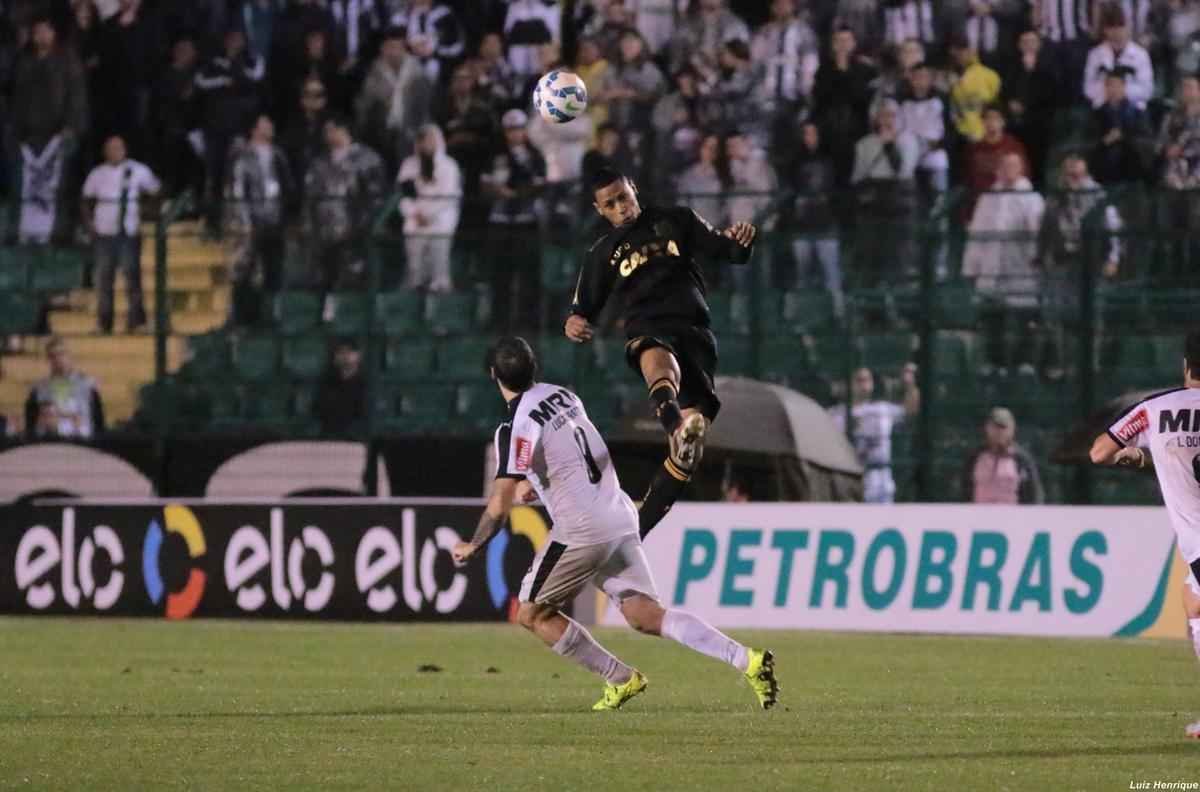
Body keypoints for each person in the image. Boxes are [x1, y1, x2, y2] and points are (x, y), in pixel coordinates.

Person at [451, 336, 778, 712]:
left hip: (582, 530)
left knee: (531, 613)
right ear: (534, 366)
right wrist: (538, 488)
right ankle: (746, 660)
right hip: (619, 515)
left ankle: (621, 677)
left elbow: (500, 501)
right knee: (645, 616)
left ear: (494, 376)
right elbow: (574, 458)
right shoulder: (565, 396)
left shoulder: (514, 426)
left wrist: (474, 545)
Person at [565, 166, 756, 539]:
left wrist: (742, 243)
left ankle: (637, 532)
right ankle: (675, 426)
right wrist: (574, 323)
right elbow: (579, 312)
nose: (621, 207)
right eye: (611, 204)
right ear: (599, 210)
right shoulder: (601, 254)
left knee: (688, 455)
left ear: (634, 189)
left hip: (695, 331)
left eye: (624, 197)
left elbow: (726, 250)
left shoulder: (677, 218)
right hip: (647, 326)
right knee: (656, 357)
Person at [1088, 329, 1200, 737]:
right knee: (1193, 603)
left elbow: (1099, 451)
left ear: (1186, 365)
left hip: (1198, 536)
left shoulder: (1155, 409)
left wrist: (1136, 454)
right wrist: (1148, 457)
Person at [1035, 152, 1123, 378]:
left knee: (1091, 317)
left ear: (1085, 173)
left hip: (1091, 264)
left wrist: (1113, 258)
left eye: (1077, 174)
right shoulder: (1055, 198)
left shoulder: (1099, 197)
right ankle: (1063, 364)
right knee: (1058, 317)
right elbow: (1045, 230)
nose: (1072, 178)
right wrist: (1043, 257)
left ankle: (1089, 366)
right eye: (1069, 173)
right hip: (1062, 263)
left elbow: (1112, 230)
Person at [961, 152, 1045, 371]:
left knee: (1023, 318)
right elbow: (977, 233)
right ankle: (993, 363)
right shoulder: (988, 197)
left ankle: (1023, 362)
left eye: (1013, 165)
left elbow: (1039, 233)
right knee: (991, 318)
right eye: (1005, 165)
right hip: (991, 268)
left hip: (1022, 266)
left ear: (1021, 169)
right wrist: (971, 267)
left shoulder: (1032, 197)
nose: (1008, 170)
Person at [10, 16, 87, 244]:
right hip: (29, 137)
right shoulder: (24, 61)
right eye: (37, 32)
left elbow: (76, 96)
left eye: (45, 31)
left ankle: (56, 234)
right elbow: (16, 99)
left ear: (53, 34)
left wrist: (71, 127)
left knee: (57, 187)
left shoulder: (67, 60)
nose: (40, 36)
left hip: (58, 135)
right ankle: (26, 233)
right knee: (27, 187)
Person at [81, 135, 161, 335]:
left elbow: (156, 191)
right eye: (111, 148)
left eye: (118, 148)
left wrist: (146, 213)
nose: (115, 151)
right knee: (103, 280)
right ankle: (104, 323)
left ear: (125, 150)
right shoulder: (97, 174)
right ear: (105, 151)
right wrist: (90, 225)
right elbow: (85, 199)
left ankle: (137, 322)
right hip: (104, 233)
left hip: (129, 231)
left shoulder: (138, 170)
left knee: (132, 278)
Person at [303, 115, 387, 299]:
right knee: (324, 277)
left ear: (343, 130)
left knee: (353, 276)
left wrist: (362, 224)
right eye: (326, 131)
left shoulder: (368, 159)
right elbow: (310, 197)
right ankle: (326, 314)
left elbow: (376, 196)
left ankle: (353, 317)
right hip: (324, 232)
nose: (327, 135)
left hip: (355, 230)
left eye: (331, 130)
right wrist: (311, 224)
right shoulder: (319, 162)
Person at [195, 27, 266, 234]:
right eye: (231, 38)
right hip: (216, 130)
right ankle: (213, 222)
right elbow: (200, 83)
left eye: (238, 38)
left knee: (243, 175)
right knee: (216, 176)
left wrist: (235, 73)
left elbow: (256, 80)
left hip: (241, 130)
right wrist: (226, 80)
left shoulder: (251, 62)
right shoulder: (212, 63)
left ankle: (248, 221)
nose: (234, 42)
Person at [226, 114, 295, 326]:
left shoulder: (278, 155)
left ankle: (272, 315)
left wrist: (288, 216)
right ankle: (242, 316)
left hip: (275, 220)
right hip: (252, 222)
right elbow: (237, 190)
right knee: (245, 270)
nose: (270, 128)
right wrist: (244, 222)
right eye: (265, 125)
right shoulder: (243, 156)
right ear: (255, 129)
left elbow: (288, 185)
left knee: (274, 268)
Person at [482, 109, 546, 332]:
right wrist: (499, 191)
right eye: (510, 129)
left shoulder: (535, 156)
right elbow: (485, 185)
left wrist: (517, 193)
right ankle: (499, 322)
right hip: (500, 221)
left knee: (528, 277)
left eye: (518, 128)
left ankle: (527, 323)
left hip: (526, 221)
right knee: (500, 277)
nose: (515, 133)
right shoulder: (494, 154)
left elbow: (539, 186)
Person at [829, 365, 921, 504]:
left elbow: (911, 410)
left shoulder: (882, 410)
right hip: (845, 487)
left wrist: (910, 385)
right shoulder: (834, 415)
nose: (864, 384)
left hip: (880, 488)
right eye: (859, 380)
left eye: (868, 379)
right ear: (847, 385)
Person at [355, 26, 433, 175]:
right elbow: (364, 107)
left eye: (398, 47)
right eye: (390, 47)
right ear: (382, 49)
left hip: (411, 133)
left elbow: (424, 108)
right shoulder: (373, 73)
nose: (394, 52)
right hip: (380, 134)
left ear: (404, 49)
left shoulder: (418, 74)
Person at [397, 123, 461, 293]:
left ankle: (440, 293)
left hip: (441, 218)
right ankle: (414, 290)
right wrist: (414, 213)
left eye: (431, 140)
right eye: (423, 140)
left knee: (439, 261)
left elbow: (448, 197)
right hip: (415, 218)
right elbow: (404, 194)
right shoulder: (409, 165)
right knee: (414, 263)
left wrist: (429, 215)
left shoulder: (449, 166)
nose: (426, 144)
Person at [24, 337, 105, 440]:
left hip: (82, 444)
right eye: (53, 356)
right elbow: (31, 424)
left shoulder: (88, 386)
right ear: (48, 359)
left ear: (70, 356)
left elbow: (99, 421)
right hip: (49, 444)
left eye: (62, 353)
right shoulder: (38, 389)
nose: (58, 359)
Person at [962, 407, 1045, 504]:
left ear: (1012, 429)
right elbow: (965, 489)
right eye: (995, 427)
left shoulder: (1022, 459)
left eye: (1003, 427)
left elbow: (1034, 493)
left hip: (1012, 517)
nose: (999, 432)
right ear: (987, 428)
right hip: (978, 516)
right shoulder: (975, 457)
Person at [1088, 67, 1152, 184]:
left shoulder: (1137, 113)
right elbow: (1088, 142)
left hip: (1132, 167)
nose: (1113, 90)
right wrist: (1104, 141)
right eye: (1110, 85)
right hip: (1103, 169)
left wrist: (1124, 137)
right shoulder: (1097, 114)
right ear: (1105, 88)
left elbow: (1146, 140)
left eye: (1117, 85)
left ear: (1123, 87)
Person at [1083, 4, 1154, 109]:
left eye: (1120, 26)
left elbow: (1147, 90)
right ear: (1105, 30)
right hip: (1103, 106)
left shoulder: (1141, 54)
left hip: (1133, 108)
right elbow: (1087, 88)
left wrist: (1122, 91)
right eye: (1112, 27)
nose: (1117, 32)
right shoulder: (1095, 54)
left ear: (1128, 28)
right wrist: (1108, 91)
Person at [964, 105, 1028, 218]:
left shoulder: (1013, 146)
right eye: (988, 118)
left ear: (1003, 122)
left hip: (1007, 206)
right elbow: (969, 181)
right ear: (982, 122)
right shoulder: (974, 149)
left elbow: (1023, 176)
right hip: (981, 206)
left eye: (996, 118)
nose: (992, 122)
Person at [948, 32, 1002, 145]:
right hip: (960, 134)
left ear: (972, 50)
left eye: (963, 49)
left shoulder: (989, 75)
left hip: (986, 134)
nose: (960, 54)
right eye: (956, 51)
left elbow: (996, 107)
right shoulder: (948, 78)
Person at [313, 337, 366, 435]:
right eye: (341, 352)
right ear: (335, 357)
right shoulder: (326, 383)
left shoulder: (366, 385)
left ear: (359, 355)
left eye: (350, 351)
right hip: (330, 437)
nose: (345, 355)